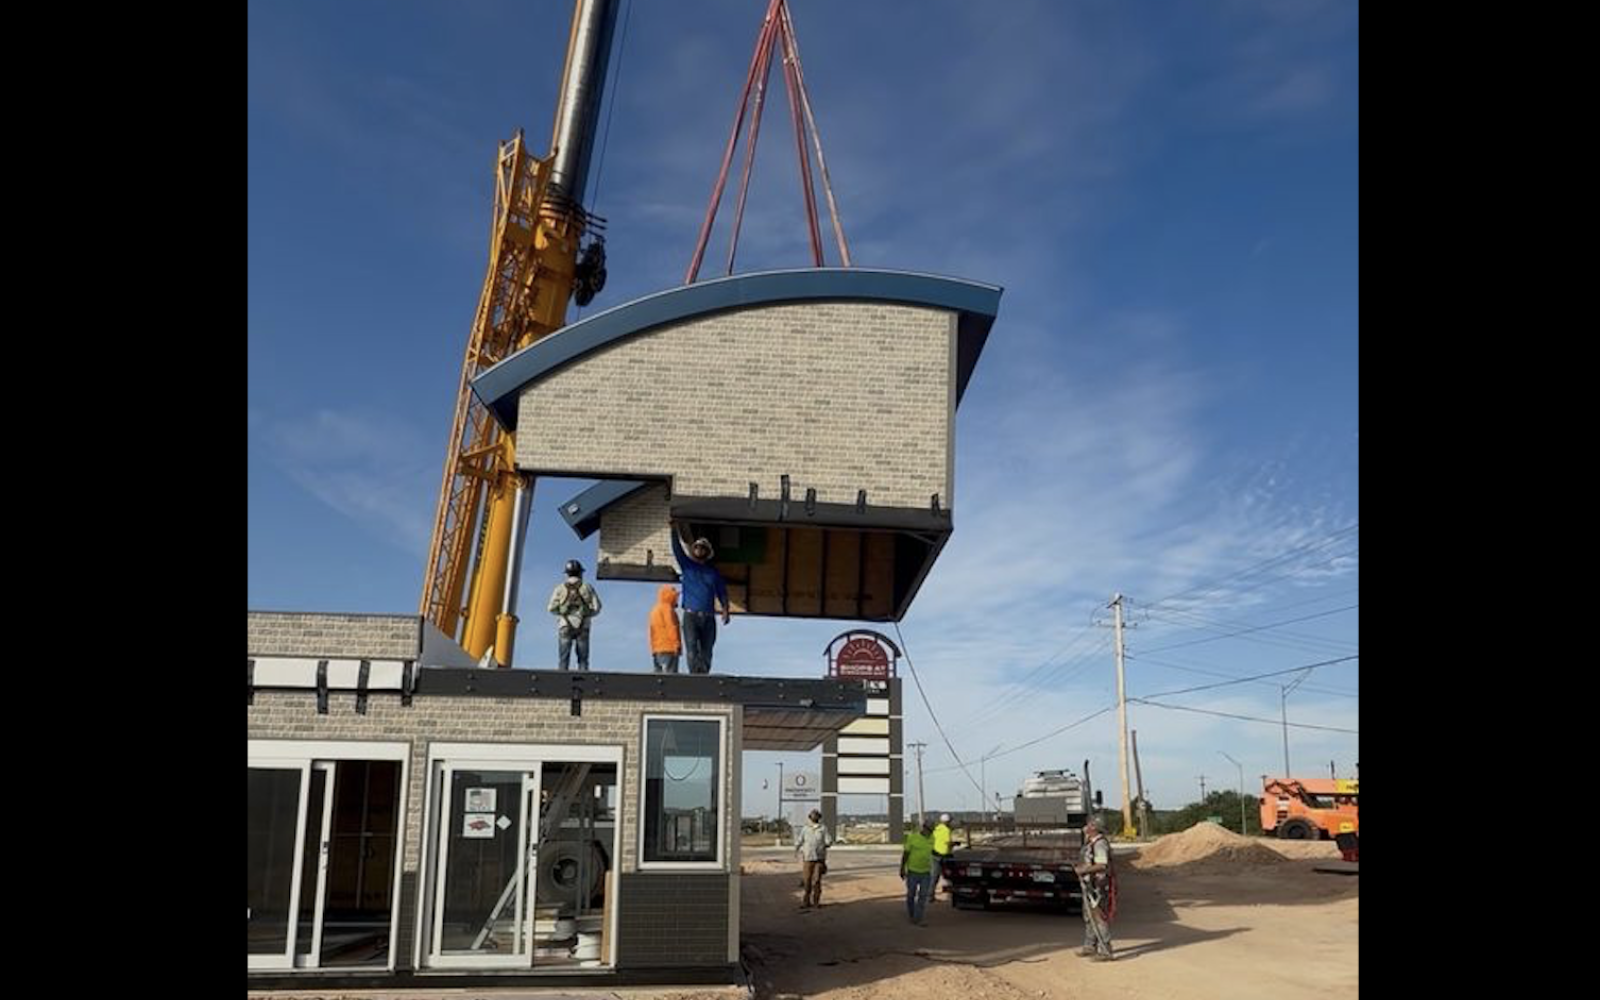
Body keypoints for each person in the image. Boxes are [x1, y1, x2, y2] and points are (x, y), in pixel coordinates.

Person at [669, 526, 730, 673]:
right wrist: (673, 530)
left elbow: (722, 591)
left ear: (707, 552)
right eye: (697, 547)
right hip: (691, 615)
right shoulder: (687, 565)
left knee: (707, 650)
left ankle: (704, 675)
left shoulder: (713, 573)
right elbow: (677, 549)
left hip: (708, 618)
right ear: (693, 550)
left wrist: (725, 609)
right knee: (691, 648)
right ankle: (694, 676)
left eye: (702, 548)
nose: (699, 550)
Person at [1073, 814, 1116, 961]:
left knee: (1098, 917)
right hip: (1090, 884)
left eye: (1089, 824)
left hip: (1097, 886)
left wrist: (1083, 870)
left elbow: (1102, 865)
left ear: (1094, 827)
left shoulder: (1099, 844)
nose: (1086, 826)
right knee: (1089, 916)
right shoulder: (1090, 843)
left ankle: (1105, 950)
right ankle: (1090, 946)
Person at [547, 559, 601, 671]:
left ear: (567, 573)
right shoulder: (587, 587)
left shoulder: (560, 588)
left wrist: (562, 612)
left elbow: (550, 608)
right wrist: (588, 614)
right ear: (580, 573)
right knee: (583, 660)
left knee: (563, 659)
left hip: (564, 625)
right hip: (583, 625)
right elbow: (597, 607)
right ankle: (584, 683)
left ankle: (562, 683)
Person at [899, 817, 937, 925]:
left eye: (932, 830)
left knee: (923, 896)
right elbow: (905, 854)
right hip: (913, 871)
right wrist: (902, 868)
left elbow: (932, 852)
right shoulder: (913, 837)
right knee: (911, 894)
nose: (930, 832)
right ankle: (912, 914)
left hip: (926, 872)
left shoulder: (932, 838)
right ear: (924, 828)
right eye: (929, 830)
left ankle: (918, 918)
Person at [794, 807, 834, 908]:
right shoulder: (805, 828)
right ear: (810, 817)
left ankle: (816, 902)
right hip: (808, 858)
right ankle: (806, 902)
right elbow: (800, 840)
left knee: (817, 880)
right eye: (812, 815)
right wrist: (797, 848)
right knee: (807, 880)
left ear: (819, 817)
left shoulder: (823, 828)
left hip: (819, 858)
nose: (814, 816)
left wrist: (825, 845)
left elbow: (829, 840)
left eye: (816, 815)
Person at [648, 584, 681, 673]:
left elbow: (651, 632)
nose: (677, 599)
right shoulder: (667, 609)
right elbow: (671, 628)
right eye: (675, 596)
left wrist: (653, 649)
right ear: (670, 596)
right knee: (670, 680)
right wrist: (676, 645)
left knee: (659, 679)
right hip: (669, 649)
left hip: (657, 651)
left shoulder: (654, 610)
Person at [932, 813, 954, 892]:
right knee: (950, 873)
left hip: (935, 854)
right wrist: (954, 844)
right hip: (944, 855)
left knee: (934, 876)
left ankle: (930, 896)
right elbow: (948, 842)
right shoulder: (946, 830)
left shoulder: (936, 828)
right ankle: (952, 888)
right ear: (947, 821)